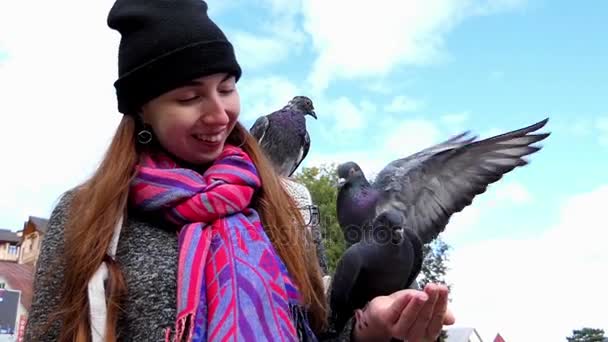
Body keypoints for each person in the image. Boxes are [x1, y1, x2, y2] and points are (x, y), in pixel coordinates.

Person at [24, 0, 454, 341]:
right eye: (190, 97)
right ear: (142, 110)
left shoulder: (289, 202)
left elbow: (321, 329)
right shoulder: (89, 214)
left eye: (227, 88)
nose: (220, 114)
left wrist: (370, 329)